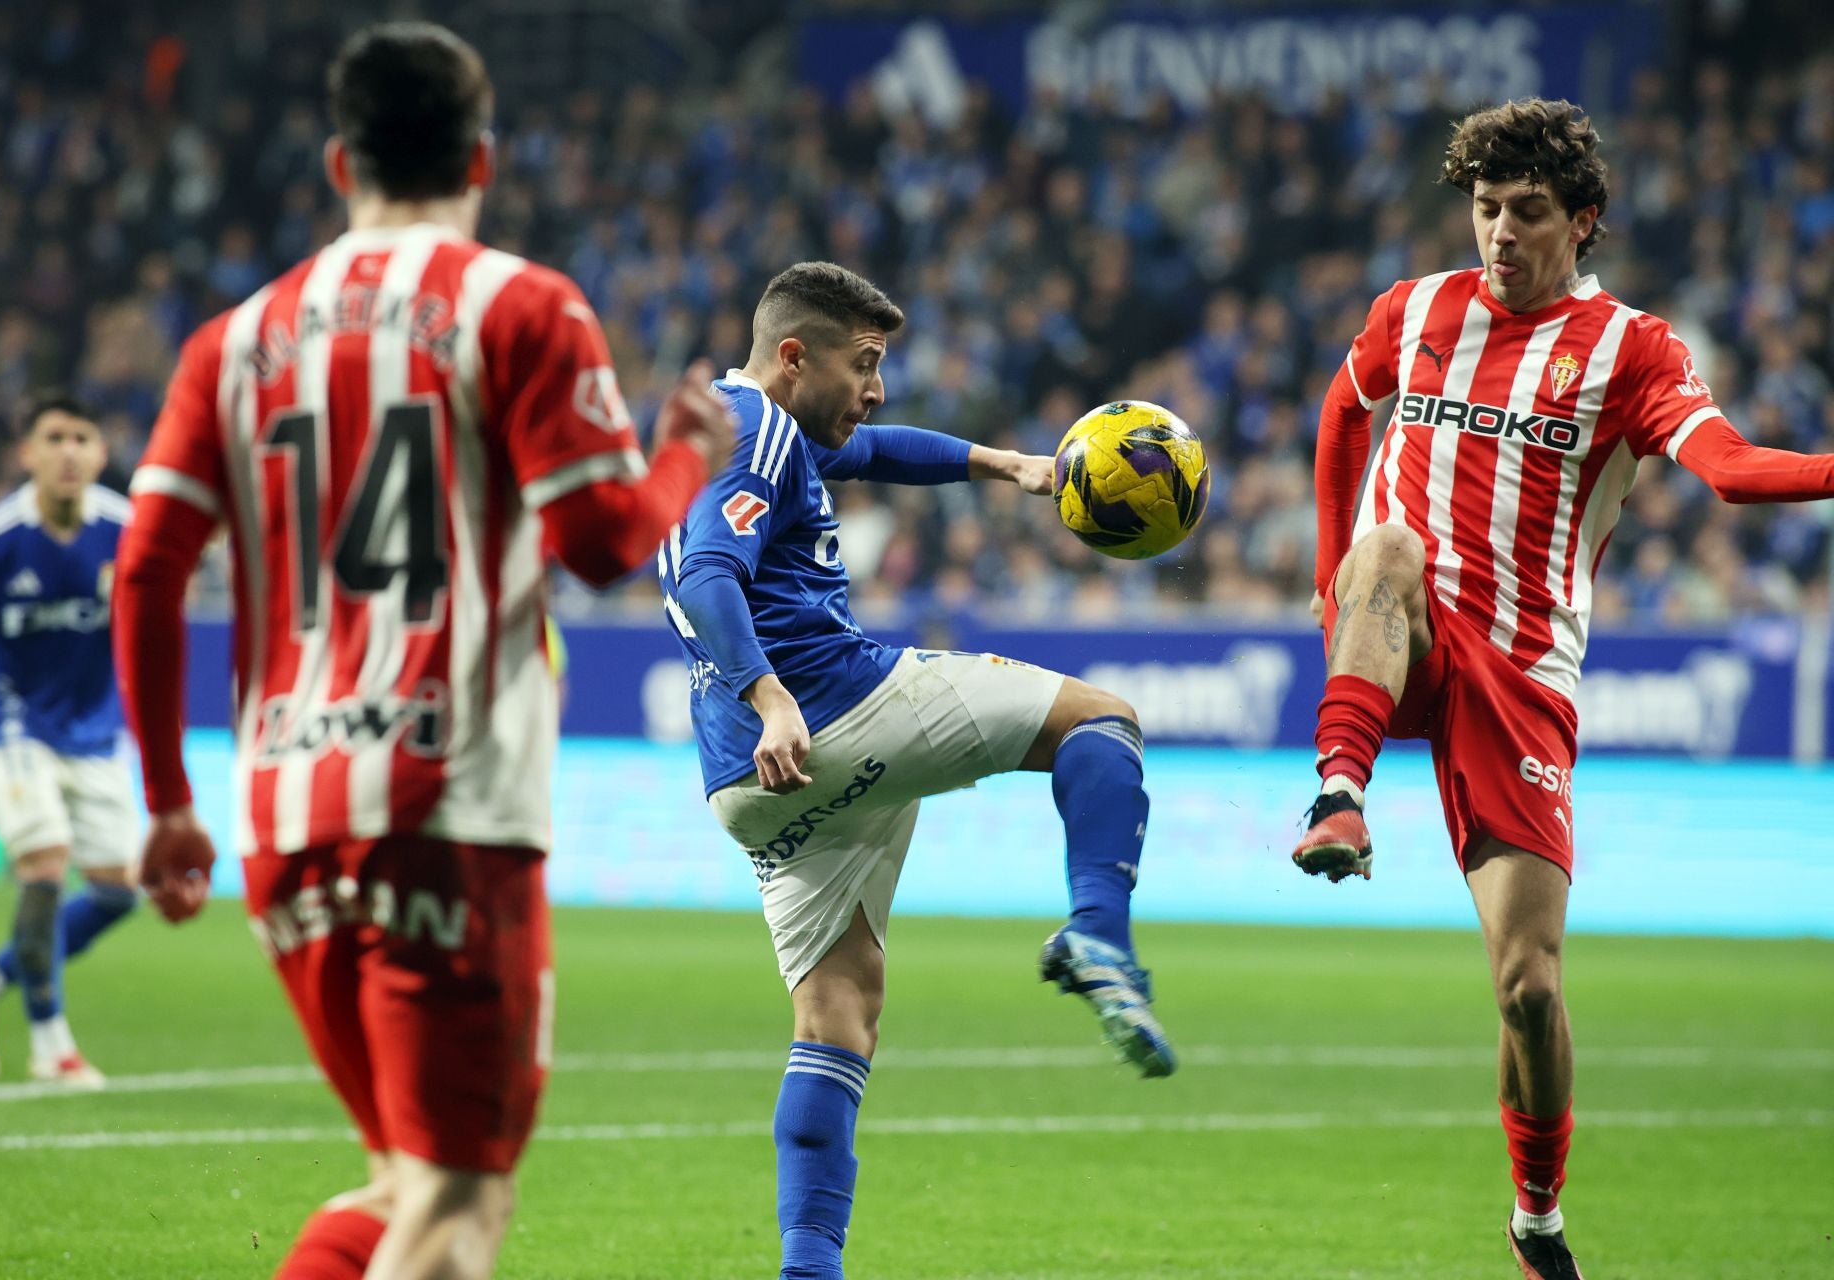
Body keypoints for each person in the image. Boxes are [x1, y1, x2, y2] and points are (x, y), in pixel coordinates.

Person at [110, 23, 733, 1280]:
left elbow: (147, 568)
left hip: (285, 817)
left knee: (402, 1182)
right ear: (483, 159)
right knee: (455, 1209)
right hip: (449, 807)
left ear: (340, 162)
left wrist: (172, 803)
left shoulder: (228, 343)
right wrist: (684, 454)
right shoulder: (522, 304)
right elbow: (605, 538)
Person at [1294, 98, 1834, 1280]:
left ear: (1581, 221)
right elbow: (1344, 412)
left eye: (1527, 213)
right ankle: (1337, 790)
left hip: (1524, 666)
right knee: (1386, 550)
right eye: (1484, 209)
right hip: (1408, 626)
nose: (1498, 233)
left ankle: (1536, 1218)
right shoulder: (1416, 308)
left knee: (1529, 985)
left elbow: (1731, 471)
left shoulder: (1634, 350)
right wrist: (1334, 568)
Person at [661, 261, 1175, 1280]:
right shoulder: (749, 423)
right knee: (1102, 720)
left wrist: (1006, 465)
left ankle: (810, 1268)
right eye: (865, 362)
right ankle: (1100, 936)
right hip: (826, 704)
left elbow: (875, 449)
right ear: (793, 355)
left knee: (838, 1009)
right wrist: (770, 693)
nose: (877, 386)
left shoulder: (739, 430)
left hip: (748, 788)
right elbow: (702, 569)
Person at [0, 396, 137, 1087]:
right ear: (29, 455)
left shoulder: (124, 528)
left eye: (82, 437)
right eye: (54, 438)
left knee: (116, 893)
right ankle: (51, 1044)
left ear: (101, 454)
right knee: (45, 866)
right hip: (11, 724)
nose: (69, 450)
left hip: (95, 731)